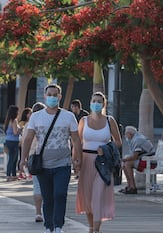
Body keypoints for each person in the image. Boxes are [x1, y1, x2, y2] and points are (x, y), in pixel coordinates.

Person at [20, 84, 83, 233]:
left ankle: (58, 226)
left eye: (55, 95)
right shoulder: (36, 117)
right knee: (47, 197)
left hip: (63, 164)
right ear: (45, 96)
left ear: (60, 97)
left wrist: (78, 159)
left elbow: (76, 140)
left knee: (60, 194)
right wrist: (23, 158)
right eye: (50, 94)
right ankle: (49, 226)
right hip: (43, 165)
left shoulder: (68, 116)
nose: (53, 97)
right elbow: (28, 139)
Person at [76, 92, 122, 233]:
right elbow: (77, 142)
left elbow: (118, 142)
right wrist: (75, 160)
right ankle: (91, 227)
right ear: (90, 102)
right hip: (86, 161)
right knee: (87, 196)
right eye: (94, 100)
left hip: (103, 163)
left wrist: (106, 148)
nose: (96, 103)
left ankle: (96, 229)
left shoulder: (110, 120)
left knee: (98, 195)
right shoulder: (84, 120)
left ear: (104, 104)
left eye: (99, 101)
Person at [21, 102, 46, 223]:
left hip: (33, 157)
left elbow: (25, 141)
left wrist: (23, 159)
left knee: (37, 186)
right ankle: (47, 211)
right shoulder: (47, 123)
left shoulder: (28, 125)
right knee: (48, 186)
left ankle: (38, 213)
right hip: (47, 156)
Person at [120, 126, 154, 194]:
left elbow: (134, 157)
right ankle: (129, 186)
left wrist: (124, 159)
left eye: (126, 134)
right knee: (124, 164)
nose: (125, 136)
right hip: (145, 160)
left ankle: (133, 187)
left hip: (149, 161)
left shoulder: (137, 140)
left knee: (127, 164)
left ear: (130, 134)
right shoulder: (136, 138)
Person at [4, 105, 21, 182]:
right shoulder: (14, 120)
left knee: (13, 158)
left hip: (8, 141)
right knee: (12, 159)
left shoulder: (8, 120)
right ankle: (8, 175)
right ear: (15, 112)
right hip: (13, 141)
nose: (18, 112)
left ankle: (14, 175)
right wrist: (21, 129)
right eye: (17, 111)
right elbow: (15, 132)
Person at [18, 107, 32, 180]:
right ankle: (21, 173)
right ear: (26, 114)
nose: (31, 115)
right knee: (23, 159)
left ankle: (26, 173)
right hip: (23, 143)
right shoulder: (23, 123)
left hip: (27, 143)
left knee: (26, 159)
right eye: (30, 113)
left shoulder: (30, 122)